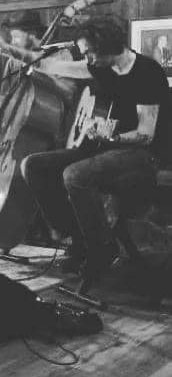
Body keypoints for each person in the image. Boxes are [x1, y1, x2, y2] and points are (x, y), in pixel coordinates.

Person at [22, 18, 171, 280]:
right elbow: (50, 65)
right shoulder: (102, 67)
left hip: (144, 155)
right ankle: (79, 237)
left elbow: (146, 135)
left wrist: (110, 135)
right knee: (32, 166)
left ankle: (102, 248)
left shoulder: (147, 72)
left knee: (74, 175)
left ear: (106, 46)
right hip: (106, 147)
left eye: (89, 52)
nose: (86, 59)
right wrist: (7, 50)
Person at [0, 10, 82, 158]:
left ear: (32, 34)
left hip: (51, 132)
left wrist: (39, 75)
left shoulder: (61, 55)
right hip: (16, 132)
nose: (13, 42)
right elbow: (3, 98)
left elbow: (70, 93)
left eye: (16, 37)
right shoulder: (13, 62)